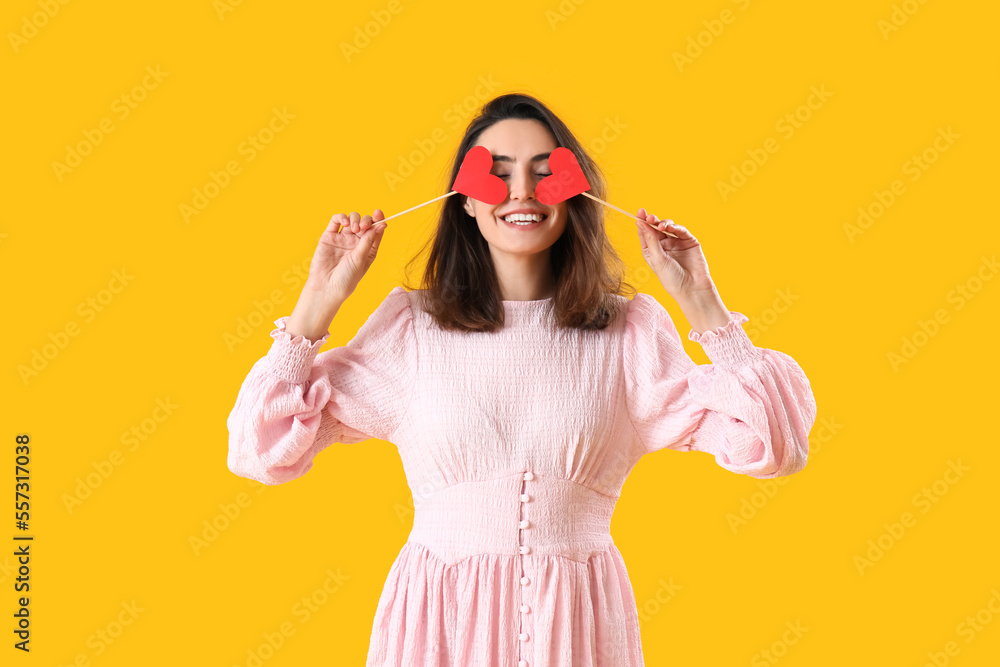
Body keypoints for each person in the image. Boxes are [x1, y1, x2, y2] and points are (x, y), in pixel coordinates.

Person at [226, 93, 816, 666]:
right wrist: (319, 301)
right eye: (498, 174)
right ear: (465, 200)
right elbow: (260, 449)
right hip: (440, 624)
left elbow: (776, 443)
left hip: (579, 626)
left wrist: (701, 300)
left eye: (543, 172)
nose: (522, 194)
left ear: (574, 191)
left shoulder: (628, 332)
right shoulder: (412, 327)